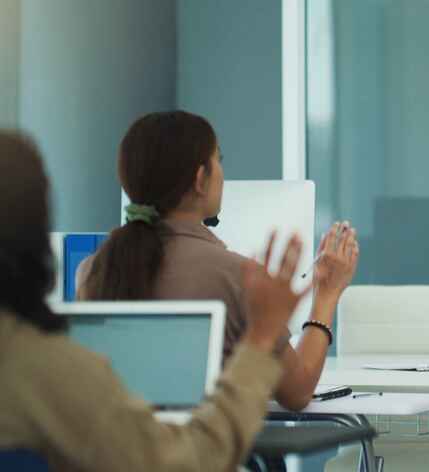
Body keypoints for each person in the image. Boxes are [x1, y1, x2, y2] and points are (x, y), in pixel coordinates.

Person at [0, 130, 305, 470]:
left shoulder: (92, 270)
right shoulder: (50, 375)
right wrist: (262, 336)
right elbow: (184, 461)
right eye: (218, 160)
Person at [77, 110, 359, 411]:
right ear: (201, 179)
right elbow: (298, 391)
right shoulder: (236, 275)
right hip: (201, 454)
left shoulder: (92, 270)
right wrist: (326, 295)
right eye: (218, 161)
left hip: (118, 455)